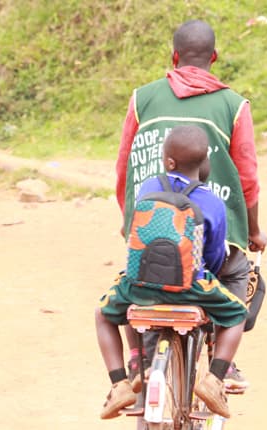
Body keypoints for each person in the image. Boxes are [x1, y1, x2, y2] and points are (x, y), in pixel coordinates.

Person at [116, 19, 267, 391]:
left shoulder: (143, 98)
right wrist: (253, 231)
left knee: (141, 278)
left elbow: (125, 166)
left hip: (149, 222)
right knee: (235, 275)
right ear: (213, 57)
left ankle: (138, 364)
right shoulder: (233, 105)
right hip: (216, 225)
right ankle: (221, 364)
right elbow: (247, 176)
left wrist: (131, 219)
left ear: (174, 55)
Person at [96, 126, 247, 419]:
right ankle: (215, 379)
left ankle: (120, 384)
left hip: (139, 284)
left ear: (168, 162)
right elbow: (215, 255)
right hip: (191, 286)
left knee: (103, 315)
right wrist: (204, 276)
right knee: (238, 314)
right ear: (204, 164)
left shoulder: (148, 187)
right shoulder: (212, 202)